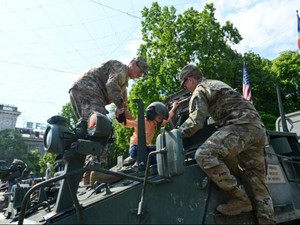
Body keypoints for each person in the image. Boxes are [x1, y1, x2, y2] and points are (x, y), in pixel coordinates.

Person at [177, 64, 275, 224]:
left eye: (184, 85)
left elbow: (196, 122)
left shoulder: (200, 89)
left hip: (241, 126)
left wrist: (175, 134)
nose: (186, 89)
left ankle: (240, 198)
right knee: (258, 185)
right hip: (257, 130)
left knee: (204, 154)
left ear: (190, 79)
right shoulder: (215, 84)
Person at [69, 56, 148, 184]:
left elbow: (125, 111)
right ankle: (96, 171)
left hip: (80, 91)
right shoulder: (120, 68)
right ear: (133, 63)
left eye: (143, 73)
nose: (140, 74)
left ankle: (89, 173)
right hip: (88, 90)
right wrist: (119, 106)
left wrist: (139, 123)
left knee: (91, 133)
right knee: (101, 128)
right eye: (141, 70)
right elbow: (111, 85)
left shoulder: (123, 86)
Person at [116, 101, 179, 166]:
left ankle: (139, 164)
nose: (160, 121)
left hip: (145, 148)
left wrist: (174, 108)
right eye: (159, 118)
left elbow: (167, 120)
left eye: (161, 119)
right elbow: (127, 123)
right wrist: (120, 116)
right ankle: (142, 165)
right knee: (156, 163)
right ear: (152, 114)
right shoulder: (142, 121)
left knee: (162, 149)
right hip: (136, 148)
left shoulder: (155, 124)